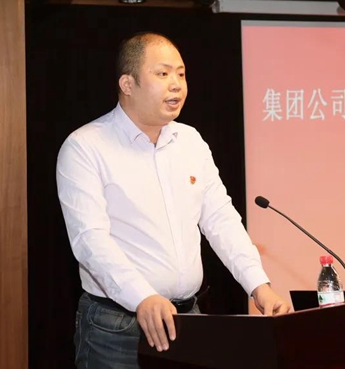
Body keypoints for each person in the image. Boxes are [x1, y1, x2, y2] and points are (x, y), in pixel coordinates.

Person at [56, 32, 290, 369]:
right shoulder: (86, 147)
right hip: (117, 327)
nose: (177, 85)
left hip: (187, 319)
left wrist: (258, 286)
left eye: (181, 74)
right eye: (162, 74)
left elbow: (221, 219)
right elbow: (89, 240)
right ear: (127, 84)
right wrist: (142, 297)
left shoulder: (190, 141)